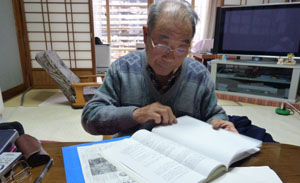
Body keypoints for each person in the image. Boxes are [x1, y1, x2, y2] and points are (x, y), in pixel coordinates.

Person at [82, 0, 237, 137]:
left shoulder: (200, 75)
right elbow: (90, 117)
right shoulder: (123, 69)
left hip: (182, 160)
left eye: (181, 48)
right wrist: (136, 114)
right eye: (163, 45)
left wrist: (220, 123)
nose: (170, 57)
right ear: (145, 35)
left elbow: (214, 114)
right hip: (131, 158)